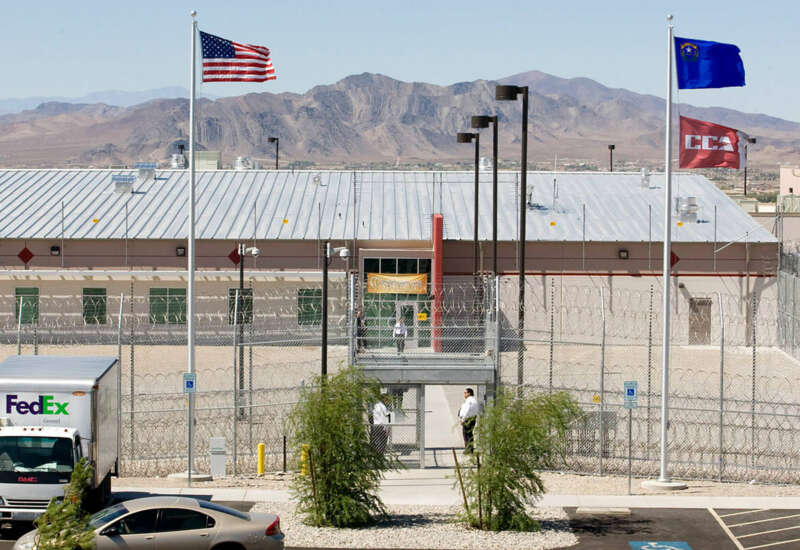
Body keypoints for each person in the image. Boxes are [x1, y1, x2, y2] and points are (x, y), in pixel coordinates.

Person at [458, 387, 479, 454]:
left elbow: (466, 410)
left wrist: (463, 419)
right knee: (470, 434)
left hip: (468, 419)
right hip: (473, 418)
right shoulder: (474, 400)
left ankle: (468, 449)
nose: (464, 394)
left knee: (466, 435)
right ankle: (471, 449)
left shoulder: (469, 401)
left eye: (465, 393)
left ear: (469, 393)